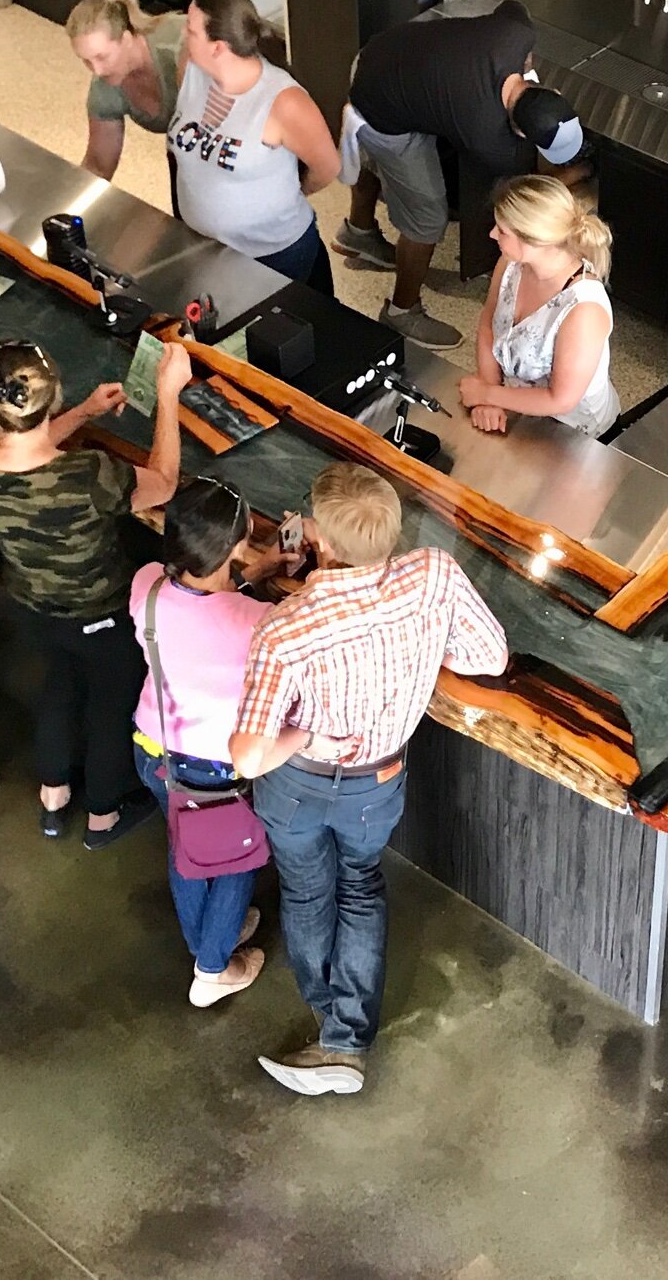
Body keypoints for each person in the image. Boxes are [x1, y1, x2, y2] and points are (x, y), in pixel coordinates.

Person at [230, 462, 509, 1095]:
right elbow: (489, 657)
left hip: (296, 783)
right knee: (360, 885)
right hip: (377, 781)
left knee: (306, 893)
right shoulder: (433, 573)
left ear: (321, 542)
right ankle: (345, 1041)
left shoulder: (286, 628)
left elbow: (247, 757)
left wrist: (304, 733)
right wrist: (419, 644)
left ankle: (330, 1020)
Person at [0, 335, 192, 848]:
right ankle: (103, 816)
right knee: (108, 707)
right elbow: (165, 481)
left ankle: (54, 799)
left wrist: (83, 413)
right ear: (52, 394)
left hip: (32, 604)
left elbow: (22, 445)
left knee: (59, 686)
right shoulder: (88, 476)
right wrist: (168, 396)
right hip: (100, 610)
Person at [335, 0, 586, 349]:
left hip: (377, 55)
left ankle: (358, 233)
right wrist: (574, 177)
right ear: (521, 132)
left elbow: (513, 6)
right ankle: (401, 312)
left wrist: (523, 60)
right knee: (427, 217)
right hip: (383, 110)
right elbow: (520, 194)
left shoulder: (516, 33)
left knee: (376, 157)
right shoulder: (487, 135)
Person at [131, 478, 282, 1007]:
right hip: (211, 767)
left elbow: (201, 610)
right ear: (238, 544)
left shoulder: (146, 584)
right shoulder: (256, 622)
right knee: (235, 857)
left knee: (186, 845)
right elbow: (237, 622)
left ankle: (207, 941)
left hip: (151, 748)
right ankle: (212, 970)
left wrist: (253, 576)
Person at [168, 0, 341, 296]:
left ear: (218, 47)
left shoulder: (284, 102)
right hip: (204, 246)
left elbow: (327, 167)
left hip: (274, 256)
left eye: (191, 30)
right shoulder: (190, 68)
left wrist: (284, 195)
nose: (184, 33)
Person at [458, 176, 619, 439]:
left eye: (502, 230)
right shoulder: (510, 264)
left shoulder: (583, 310)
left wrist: (486, 394)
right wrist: (490, 395)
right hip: (515, 407)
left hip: (573, 434)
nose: (492, 234)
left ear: (535, 240)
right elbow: (488, 323)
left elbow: (561, 400)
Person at [67, 0, 186, 186]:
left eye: (102, 57)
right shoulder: (103, 88)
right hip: (186, 145)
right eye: (86, 61)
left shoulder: (178, 51)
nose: (97, 70)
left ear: (127, 39)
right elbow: (98, 166)